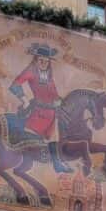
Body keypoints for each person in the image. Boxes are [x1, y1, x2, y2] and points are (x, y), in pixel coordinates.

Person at [8, 44, 72, 173]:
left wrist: (59, 100)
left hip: (52, 113)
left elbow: (53, 92)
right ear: (36, 60)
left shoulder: (49, 75)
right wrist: (24, 99)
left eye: (46, 61)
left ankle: (57, 164)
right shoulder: (31, 71)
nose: (43, 63)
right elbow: (15, 85)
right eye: (41, 60)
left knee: (54, 137)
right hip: (38, 112)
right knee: (36, 136)